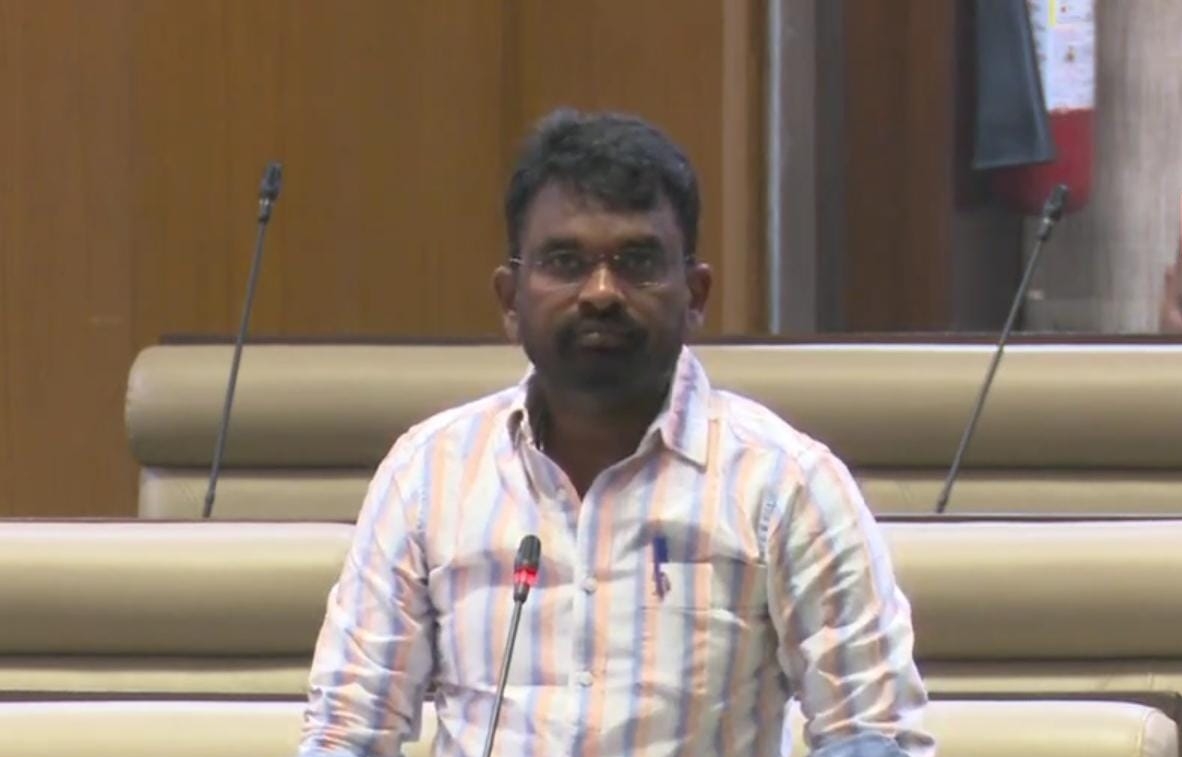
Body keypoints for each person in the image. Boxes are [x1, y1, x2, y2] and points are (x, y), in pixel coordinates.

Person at [298, 109, 934, 757]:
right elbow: (348, 732)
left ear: (695, 294)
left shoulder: (784, 483)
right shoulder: (429, 475)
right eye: (565, 261)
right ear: (510, 300)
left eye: (637, 262)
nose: (601, 292)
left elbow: (873, 732)